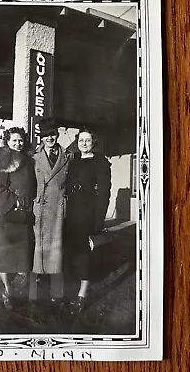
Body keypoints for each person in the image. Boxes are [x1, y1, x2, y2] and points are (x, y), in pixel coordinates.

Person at [0, 127, 36, 309]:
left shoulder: (29, 161)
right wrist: (15, 202)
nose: (18, 144)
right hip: (7, 215)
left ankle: (13, 287)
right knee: (5, 256)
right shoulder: (3, 160)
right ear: (7, 141)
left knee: (19, 256)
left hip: (24, 215)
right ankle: (7, 290)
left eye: (21, 140)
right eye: (14, 140)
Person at [64, 128, 111, 314]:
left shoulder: (100, 162)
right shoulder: (73, 160)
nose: (84, 143)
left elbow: (104, 194)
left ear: (94, 142)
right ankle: (70, 291)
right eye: (81, 140)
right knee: (71, 251)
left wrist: (98, 221)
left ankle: (82, 295)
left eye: (88, 140)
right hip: (70, 214)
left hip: (87, 214)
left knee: (84, 254)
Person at [30, 119, 72, 305]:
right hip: (40, 209)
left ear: (58, 135)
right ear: (42, 138)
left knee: (56, 252)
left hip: (57, 210)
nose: (50, 138)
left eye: (53, 134)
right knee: (37, 252)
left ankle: (57, 295)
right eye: (46, 135)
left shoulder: (68, 156)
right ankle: (35, 295)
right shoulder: (34, 157)